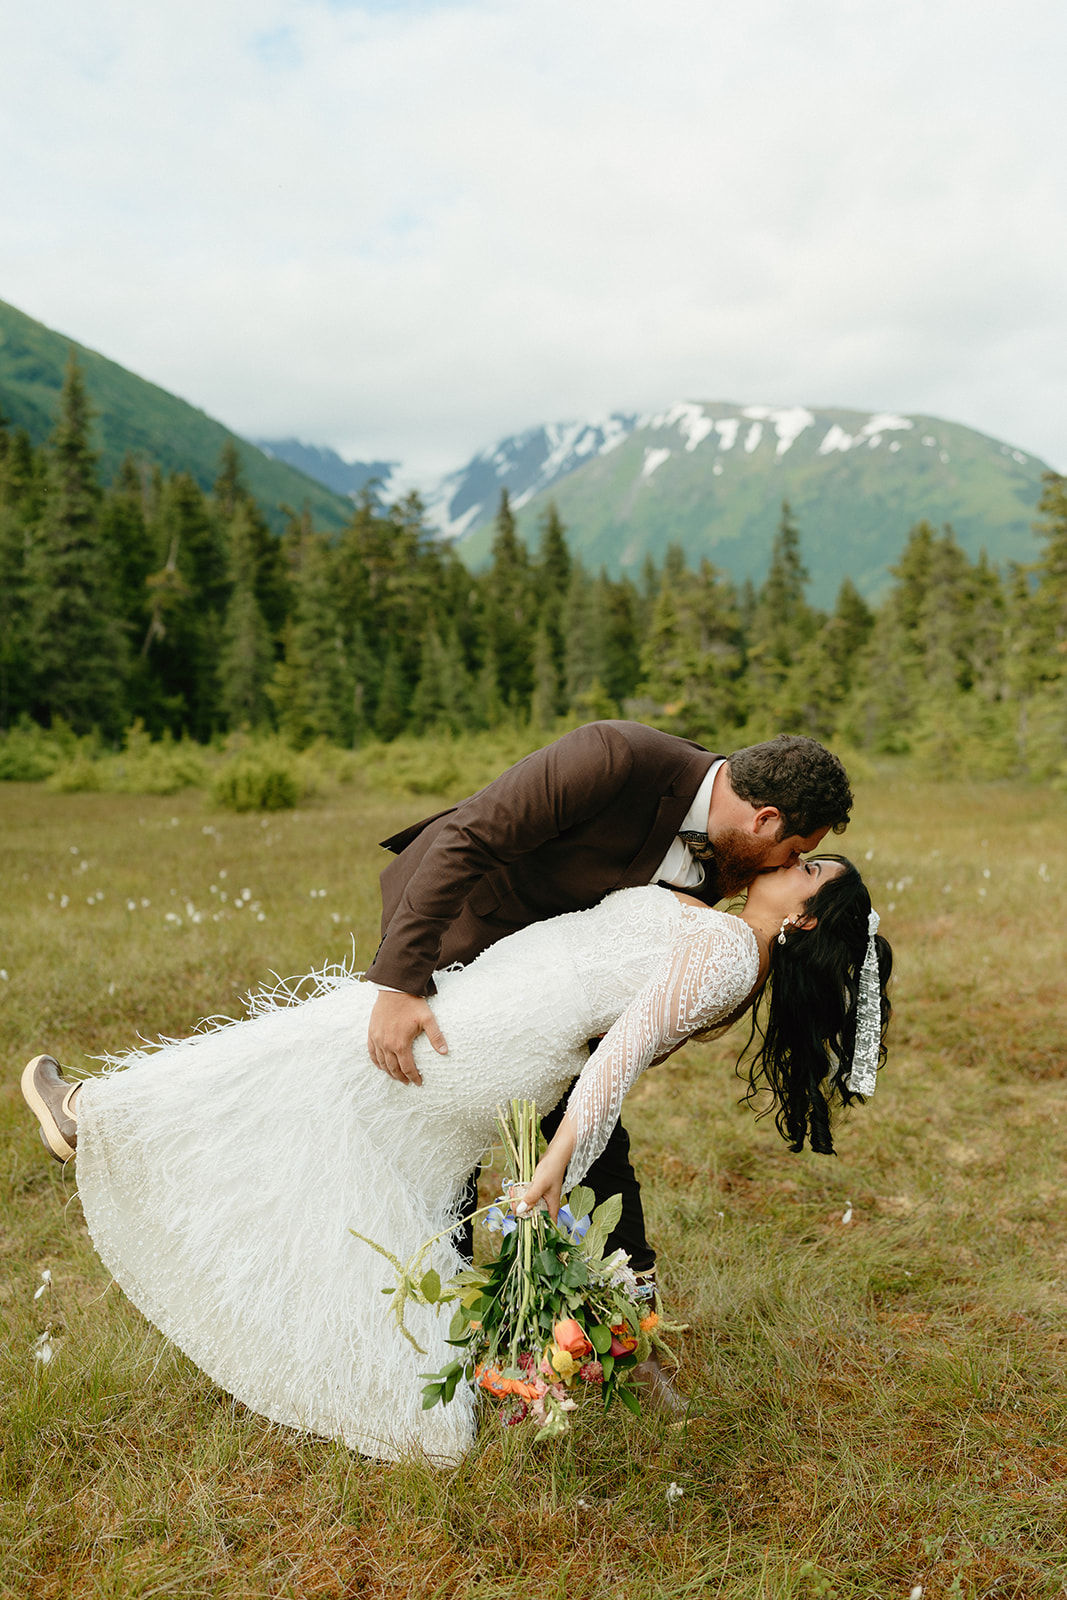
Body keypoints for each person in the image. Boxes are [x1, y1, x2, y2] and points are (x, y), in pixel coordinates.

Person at [22, 853, 891, 1465]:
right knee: (321, 1092)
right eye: (808, 855)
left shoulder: (728, 952)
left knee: (302, 1053)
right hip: (493, 1005)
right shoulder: (717, 926)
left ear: (806, 916)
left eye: (814, 872)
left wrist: (553, 1167)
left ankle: (94, 1112)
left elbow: (618, 1060)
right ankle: (412, 1384)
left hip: (494, 1034)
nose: (800, 861)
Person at [365, 720, 853, 1315]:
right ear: (765, 820)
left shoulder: (732, 863)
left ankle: (623, 1318)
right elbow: (471, 837)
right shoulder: (614, 758)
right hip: (462, 929)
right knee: (436, 1132)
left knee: (597, 1136)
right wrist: (398, 984)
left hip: (563, 1002)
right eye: (797, 852)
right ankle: (439, 1306)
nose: (789, 864)